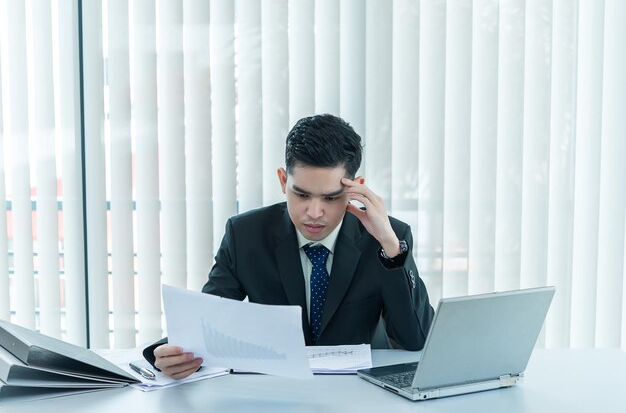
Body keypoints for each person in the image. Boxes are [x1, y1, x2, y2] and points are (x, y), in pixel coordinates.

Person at [144, 114, 434, 379]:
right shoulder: (245, 234)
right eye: (302, 194)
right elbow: (209, 319)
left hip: (359, 392)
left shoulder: (388, 237)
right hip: (273, 391)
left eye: (331, 198)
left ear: (355, 188)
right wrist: (169, 352)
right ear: (283, 180)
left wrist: (391, 249)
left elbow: (416, 340)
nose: (314, 212)